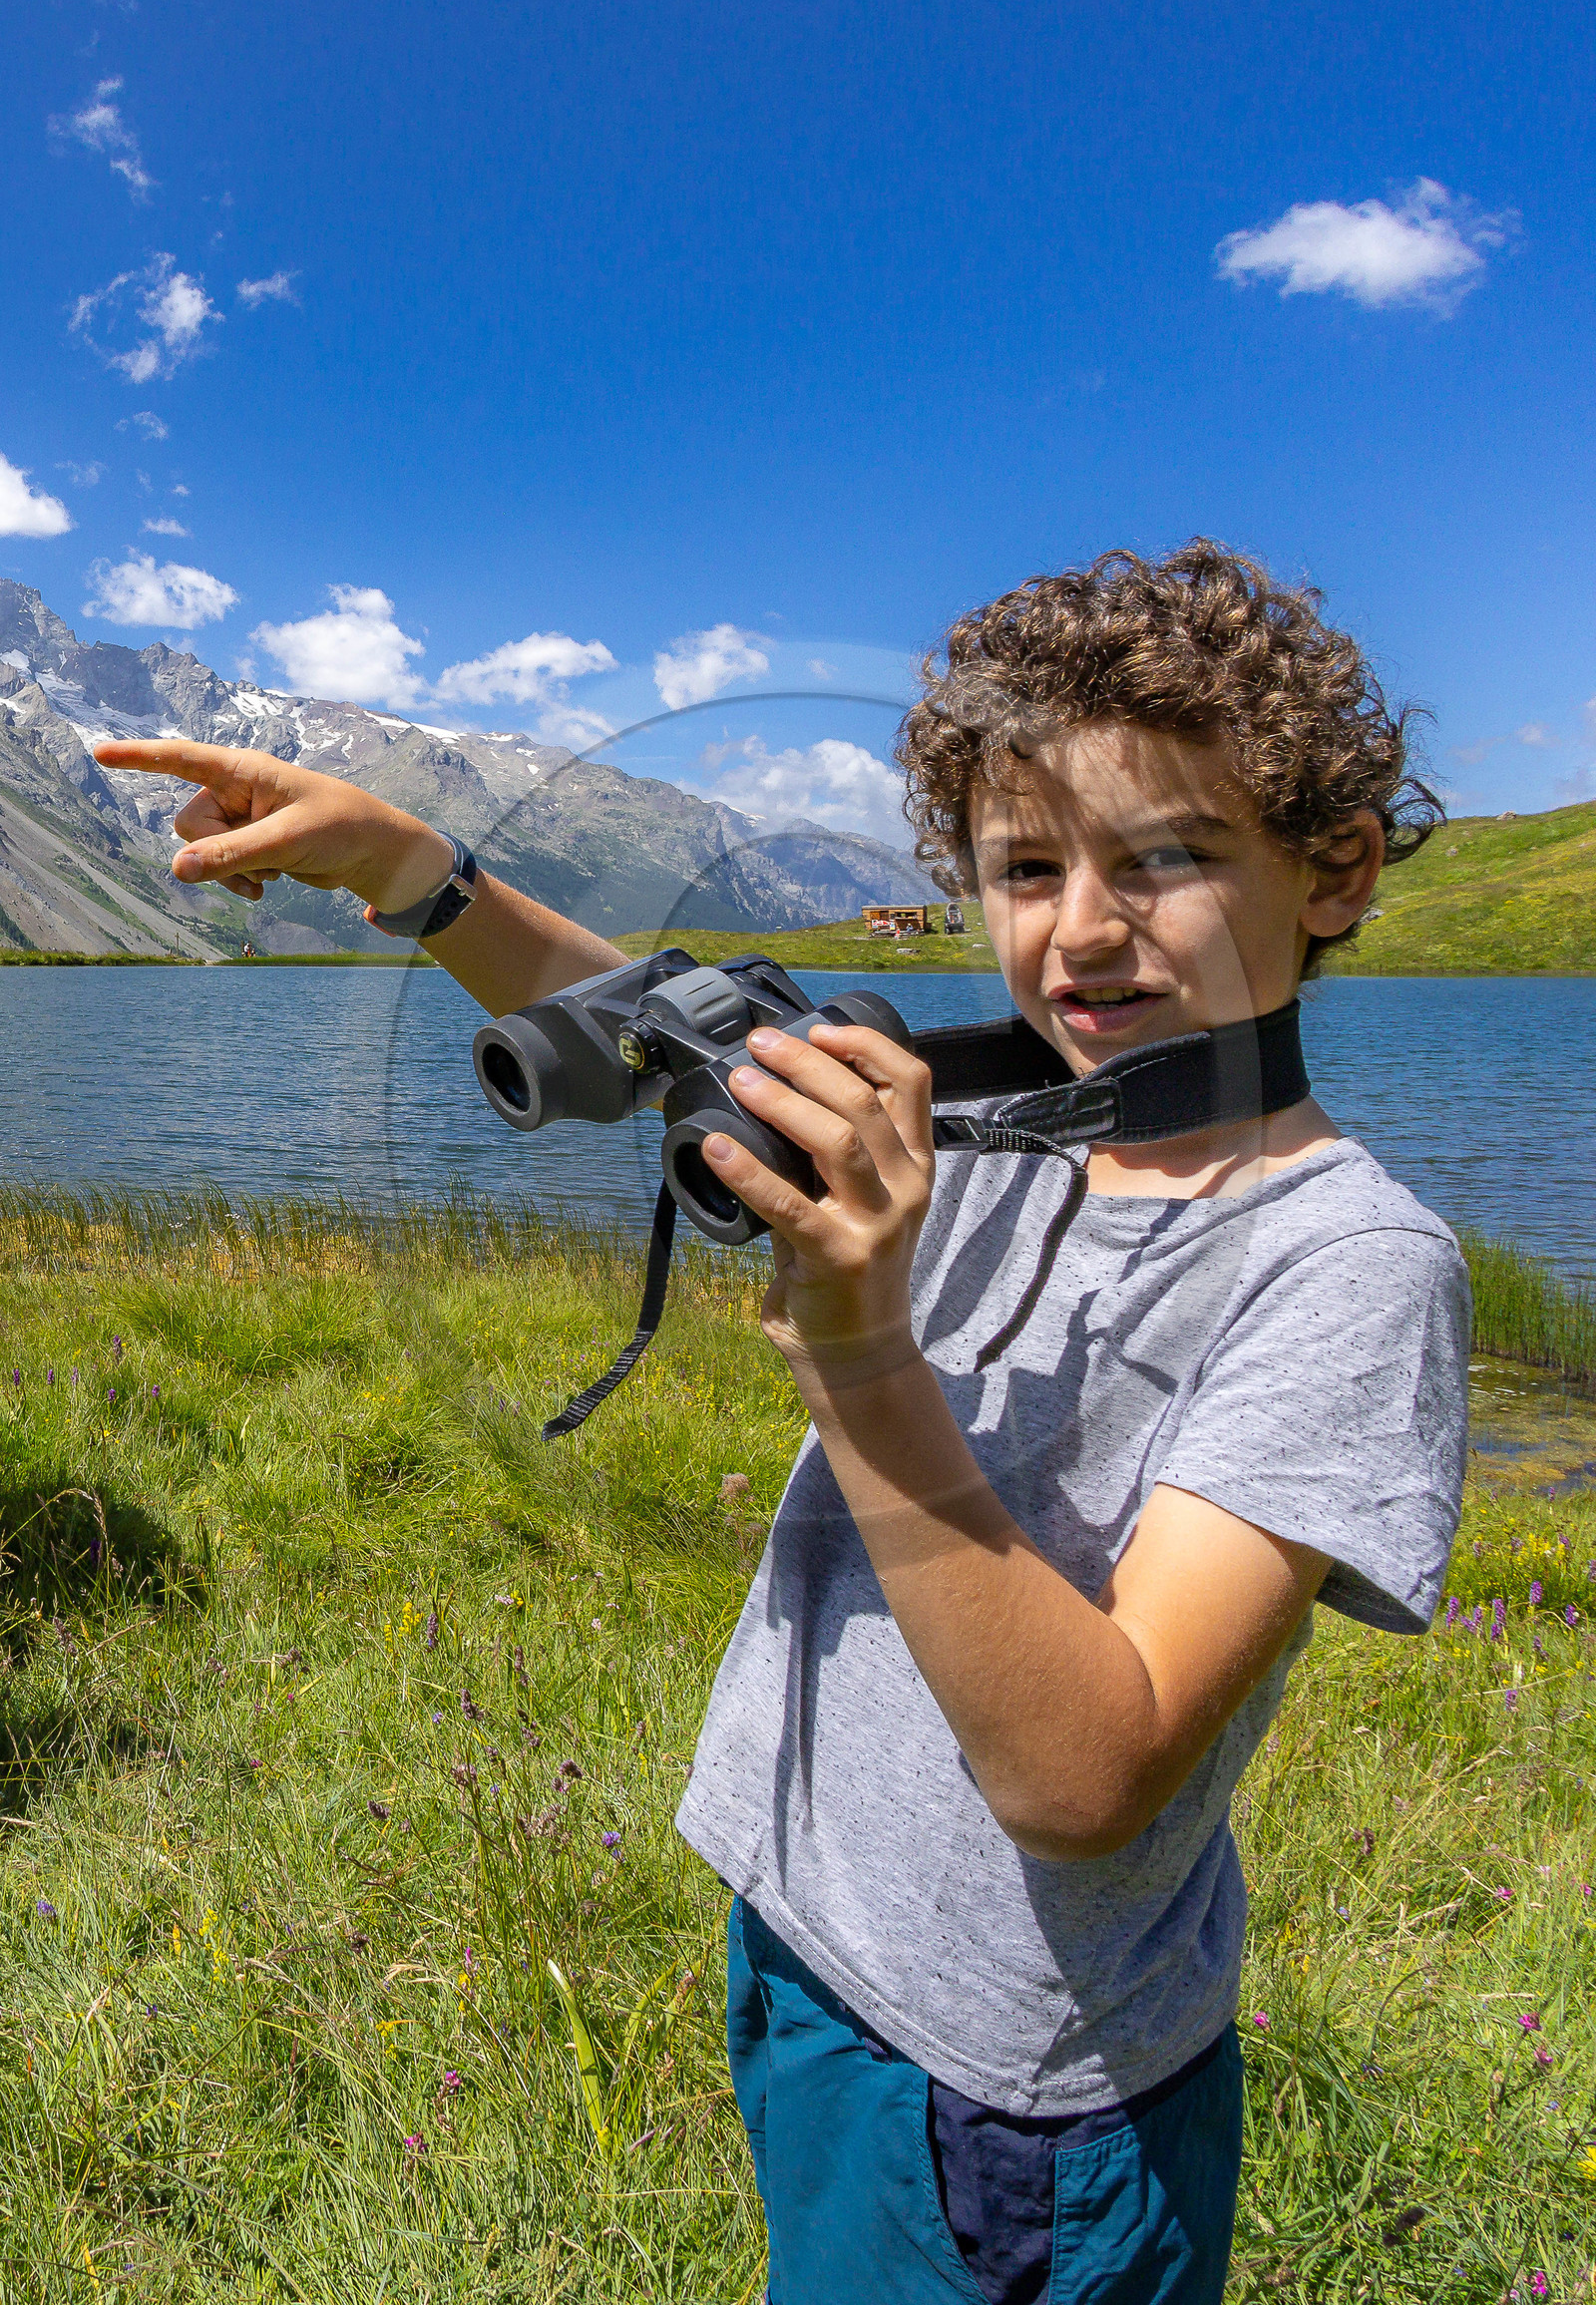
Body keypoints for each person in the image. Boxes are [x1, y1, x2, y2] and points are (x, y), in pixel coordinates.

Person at [97, 541, 1469, 2305]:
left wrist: (856, 1344)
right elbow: (680, 1027)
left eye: (1171, 858)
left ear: (1336, 870)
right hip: (816, 1949)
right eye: (1024, 869)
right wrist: (420, 874)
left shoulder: (1345, 1264)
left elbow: (1089, 1775)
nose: (1082, 932)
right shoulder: (1008, 1121)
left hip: (1013, 2091)